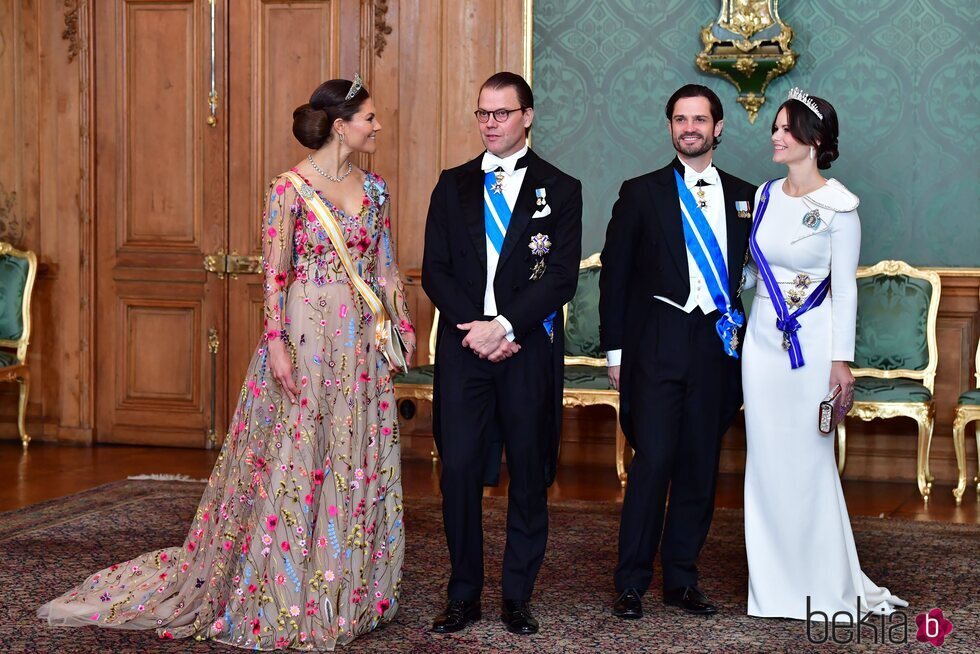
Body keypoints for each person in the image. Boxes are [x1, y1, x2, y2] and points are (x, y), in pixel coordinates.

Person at [38, 76, 416, 650]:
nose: (377, 126)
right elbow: (275, 275)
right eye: (369, 117)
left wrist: (401, 322)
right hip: (307, 338)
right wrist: (278, 346)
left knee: (353, 453)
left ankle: (347, 591)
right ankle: (287, 593)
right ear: (341, 125)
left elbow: (385, 268)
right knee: (299, 454)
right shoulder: (289, 189)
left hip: (360, 342)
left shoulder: (377, 190)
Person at [421, 71, 582, 636]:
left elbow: (562, 277)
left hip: (527, 346)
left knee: (529, 472)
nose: (491, 124)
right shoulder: (452, 184)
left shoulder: (561, 188)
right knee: (459, 468)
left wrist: (507, 324)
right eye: (483, 114)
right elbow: (434, 268)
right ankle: (463, 593)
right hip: (467, 348)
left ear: (527, 116)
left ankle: (518, 596)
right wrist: (477, 329)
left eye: (503, 113)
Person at [742, 88, 906, 620]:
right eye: (776, 126)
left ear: (813, 140)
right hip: (762, 342)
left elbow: (846, 290)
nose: (776, 135)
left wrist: (841, 361)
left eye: (787, 128)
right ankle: (772, 587)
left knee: (809, 460)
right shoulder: (765, 196)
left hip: (811, 347)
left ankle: (819, 581)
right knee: (765, 461)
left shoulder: (841, 207)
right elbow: (751, 268)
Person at [599, 84, 756, 619]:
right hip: (657, 341)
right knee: (654, 461)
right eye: (680, 119)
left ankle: (682, 579)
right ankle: (631, 581)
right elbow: (614, 277)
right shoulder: (641, 192)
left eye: (700, 119)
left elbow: (759, 276)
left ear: (719, 128)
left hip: (716, 345)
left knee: (698, 464)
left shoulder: (746, 196)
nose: (690, 127)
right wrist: (615, 353)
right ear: (670, 126)